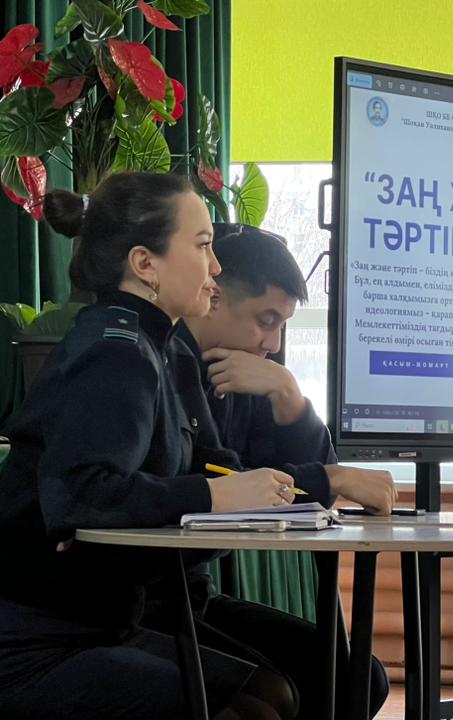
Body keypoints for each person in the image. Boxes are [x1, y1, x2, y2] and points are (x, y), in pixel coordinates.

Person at [0, 172, 299, 719]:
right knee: (252, 712)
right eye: (203, 246)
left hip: (105, 620)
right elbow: (82, 494)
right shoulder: (115, 351)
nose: (216, 267)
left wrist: (231, 489)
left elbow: (216, 466)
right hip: (36, 637)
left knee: (274, 694)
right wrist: (214, 496)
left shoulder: (165, 348)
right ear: (145, 264)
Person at [157, 223, 396, 719]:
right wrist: (333, 478)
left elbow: (312, 499)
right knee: (276, 695)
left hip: (195, 596)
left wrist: (291, 399)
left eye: (283, 324)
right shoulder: (162, 367)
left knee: (358, 679)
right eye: (266, 320)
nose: (273, 341)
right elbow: (238, 487)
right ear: (213, 296)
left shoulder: (247, 374)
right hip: (151, 602)